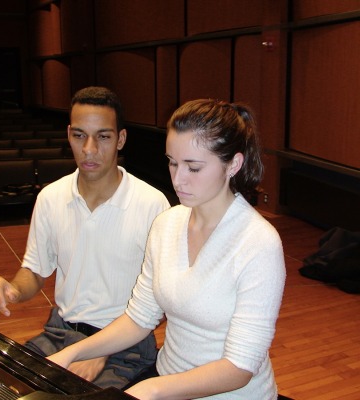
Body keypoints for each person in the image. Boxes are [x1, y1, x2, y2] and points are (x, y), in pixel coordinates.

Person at [47, 99, 286, 399]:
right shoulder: (167, 224)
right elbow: (138, 319)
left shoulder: (258, 242)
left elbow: (239, 367)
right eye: (172, 162)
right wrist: (72, 353)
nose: (178, 178)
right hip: (167, 376)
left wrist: (152, 389)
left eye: (193, 167)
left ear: (234, 165)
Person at [0, 86, 170, 389]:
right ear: (68, 134)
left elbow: (161, 301)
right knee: (1, 386)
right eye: (79, 135)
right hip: (60, 333)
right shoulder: (50, 197)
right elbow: (35, 271)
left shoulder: (153, 205)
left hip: (125, 343)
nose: (89, 149)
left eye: (103, 137)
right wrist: (13, 289)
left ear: (121, 139)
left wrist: (100, 350)